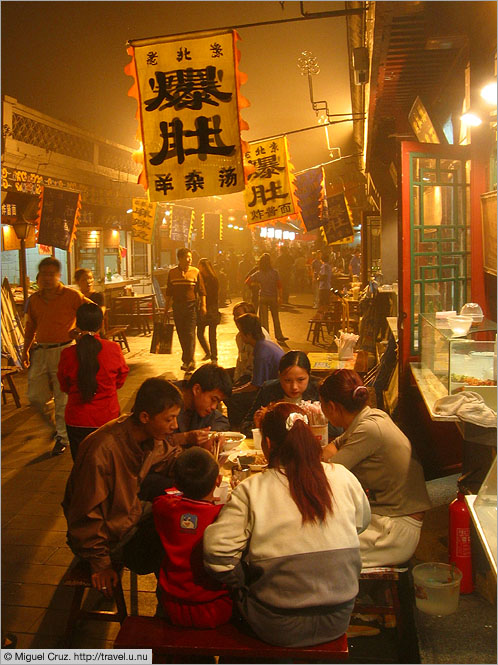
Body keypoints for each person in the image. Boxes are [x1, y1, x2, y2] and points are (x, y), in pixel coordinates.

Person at [204, 402, 370, 647]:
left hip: (275, 625)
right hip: (338, 619)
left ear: (268, 444)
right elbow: (361, 523)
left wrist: (244, 581)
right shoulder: (343, 476)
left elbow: (217, 556)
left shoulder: (252, 489)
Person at [63, 378, 188, 597]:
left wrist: (200, 472)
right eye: (170, 419)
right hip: (105, 538)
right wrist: (101, 563)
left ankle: (171, 601)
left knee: (179, 515)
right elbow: (84, 515)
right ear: (145, 417)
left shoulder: (144, 435)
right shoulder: (103, 450)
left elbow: (168, 456)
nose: (175, 426)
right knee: (172, 541)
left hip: (127, 515)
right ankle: (170, 604)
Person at [319, 369, 432, 567]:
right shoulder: (369, 417)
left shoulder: (370, 429)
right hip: (384, 519)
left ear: (331, 407)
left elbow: (327, 474)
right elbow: (333, 448)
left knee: (314, 548)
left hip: (394, 530)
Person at [152, 447, 232, 628]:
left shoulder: (165, 508)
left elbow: (163, 500)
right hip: (216, 607)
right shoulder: (221, 516)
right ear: (218, 481)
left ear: (177, 484)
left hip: (172, 605)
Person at [21, 257, 88, 456]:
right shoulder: (34, 300)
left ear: (59, 275)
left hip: (65, 351)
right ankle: (56, 421)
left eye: (52, 274)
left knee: (62, 396)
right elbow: (30, 326)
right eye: (44, 274)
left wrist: (82, 332)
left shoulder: (72, 295)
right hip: (41, 351)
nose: (47, 278)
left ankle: (62, 437)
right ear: (39, 277)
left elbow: (92, 311)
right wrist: (25, 349)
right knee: (35, 396)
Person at [57, 303, 129, 461]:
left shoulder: (67, 354)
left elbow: (64, 385)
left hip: (76, 419)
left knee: (82, 465)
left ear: (77, 323)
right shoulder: (113, 349)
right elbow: (121, 378)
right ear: (101, 323)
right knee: (108, 462)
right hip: (107, 418)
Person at [240, 350, 342, 440]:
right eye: (287, 380)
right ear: (279, 376)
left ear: (309, 375)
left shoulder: (320, 390)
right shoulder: (269, 389)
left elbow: (338, 429)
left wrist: (308, 419)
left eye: (301, 380)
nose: (294, 387)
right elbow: (245, 426)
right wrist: (260, 422)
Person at [228, 313, 284, 428]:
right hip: (271, 385)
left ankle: (239, 427)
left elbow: (255, 386)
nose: (240, 336)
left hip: (275, 392)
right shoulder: (265, 344)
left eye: (241, 333)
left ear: (248, 335)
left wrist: (235, 391)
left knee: (232, 399)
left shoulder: (261, 352)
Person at [164, 248, 206, 373]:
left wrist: (203, 306)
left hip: (191, 307)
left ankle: (188, 360)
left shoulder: (195, 272)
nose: (189, 259)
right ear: (180, 258)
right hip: (177, 307)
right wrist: (166, 309)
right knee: (181, 334)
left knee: (190, 333)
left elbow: (202, 291)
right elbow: (169, 293)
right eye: (187, 257)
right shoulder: (172, 273)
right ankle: (188, 359)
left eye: (190, 257)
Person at [171, 364, 232, 449]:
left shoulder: (201, 407)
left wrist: (213, 436)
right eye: (213, 399)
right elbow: (151, 442)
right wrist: (184, 438)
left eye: (218, 402)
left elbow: (221, 421)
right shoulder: (167, 399)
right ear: (197, 389)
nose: (214, 407)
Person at [245, 253, 288, 343]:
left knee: (264, 319)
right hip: (273, 296)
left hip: (263, 296)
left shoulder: (258, 273)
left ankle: (266, 336)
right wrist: (280, 297)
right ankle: (279, 335)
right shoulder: (275, 272)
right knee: (275, 317)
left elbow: (247, 281)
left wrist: (256, 285)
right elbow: (279, 285)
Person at [231, 301, 272, 387]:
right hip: (246, 375)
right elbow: (240, 361)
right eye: (234, 316)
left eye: (239, 315)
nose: (236, 319)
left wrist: (237, 389)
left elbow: (258, 378)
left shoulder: (261, 337)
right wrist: (236, 381)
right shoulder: (240, 336)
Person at [196, 258, 220, 363]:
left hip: (211, 308)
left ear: (204, 267)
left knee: (212, 334)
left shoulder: (212, 279)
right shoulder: (200, 278)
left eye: (199, 265)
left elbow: (213, 295)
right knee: (200, 333)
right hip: (205, 308)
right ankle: (208, 352)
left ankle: (213, 355)